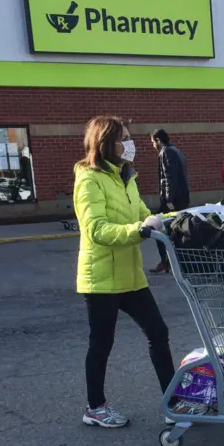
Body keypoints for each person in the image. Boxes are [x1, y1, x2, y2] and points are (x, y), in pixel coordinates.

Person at [74, 116, 176, 428]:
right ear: (105, 143)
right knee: (101, 343)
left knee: (158, 332)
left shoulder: (127, 177)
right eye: (124, 138)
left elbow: (144, 215)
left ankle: (174, 401)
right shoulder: (89, 179)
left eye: (130, 138)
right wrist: (139, 229)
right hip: (102, 278)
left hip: (131, 277)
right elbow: (96, 229)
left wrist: (175, 219)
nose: (130, 144)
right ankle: (95, 407)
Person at [149, 128, 189, 274]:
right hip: (182, 197)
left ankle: (166, 262)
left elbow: (168, 177)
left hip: (172, 199)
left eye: (153, 142)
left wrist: (168, 199)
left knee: (157, 226)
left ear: (158, 140)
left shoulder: (166, 152)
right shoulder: (176, 150)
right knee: (177, 229)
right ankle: (175, 261)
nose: (153, 145)